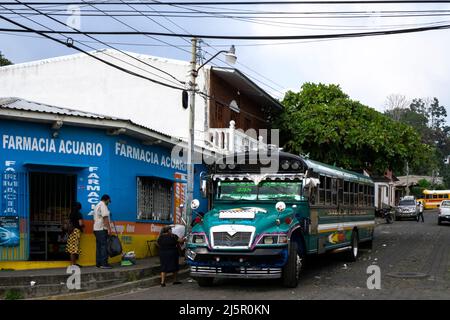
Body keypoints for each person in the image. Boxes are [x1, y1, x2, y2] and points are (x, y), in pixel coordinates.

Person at [93, 194, 112, 269]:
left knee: (99, 247)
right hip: (101, 229)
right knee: (104, 246)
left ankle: (99, 263)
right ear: (106, 199)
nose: (109, 203)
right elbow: (105, 218)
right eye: (109, 201)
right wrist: (109, 229)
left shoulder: (97, 205)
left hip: (96, 229)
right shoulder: (103, 205)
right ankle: (104, 264)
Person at [65, 202, 84, 267]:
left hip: (70, 231)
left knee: (72, 247)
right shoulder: (78, 214)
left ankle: (73, 263)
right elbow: (80, 224)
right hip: (76, 231)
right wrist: (83, 226)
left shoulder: (71, 214)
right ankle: (73, 264)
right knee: (73, 248)